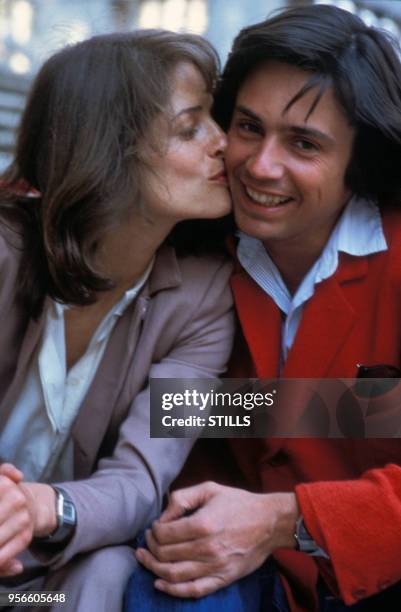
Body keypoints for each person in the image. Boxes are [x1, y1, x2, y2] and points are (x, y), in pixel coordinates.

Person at [126, 5, 401, 612]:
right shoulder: (196, 231)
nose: (260, 165)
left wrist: (287, 518)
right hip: (218, 563)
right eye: (249, 127)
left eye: (303, 143)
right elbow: (176, 412)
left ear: (362, 164)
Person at [0, 29, 235, 611]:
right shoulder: (6, 251)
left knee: (109, 570)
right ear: (109, 149)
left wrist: (42, 506)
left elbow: (142, 480)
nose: (224, 142)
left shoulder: (206, 297)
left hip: (39, 588)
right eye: (190, 128)